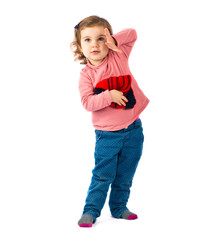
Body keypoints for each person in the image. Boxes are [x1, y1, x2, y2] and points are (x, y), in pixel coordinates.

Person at [70, 15, 150, 227]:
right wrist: (109, 96)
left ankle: (119, 208)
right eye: (87, 40)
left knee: (125, 174)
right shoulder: (86, 75)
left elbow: (132, 33)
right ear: (79, 46)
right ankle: (91, 210)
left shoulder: (118, 55)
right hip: (107, 135)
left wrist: (114, 41)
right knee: (103, 176)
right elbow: (87, 102)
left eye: (100, 38)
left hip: (134, 129)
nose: (94, 44)